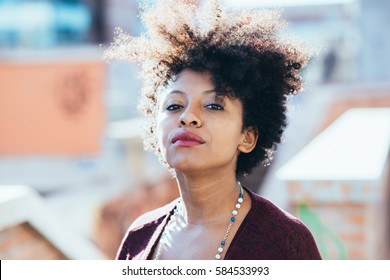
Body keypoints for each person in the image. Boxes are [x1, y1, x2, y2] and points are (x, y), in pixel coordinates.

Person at [105, 0, 322, 260]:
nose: (188, 118)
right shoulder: (139, 237)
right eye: (174, 105)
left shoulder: (284, 241)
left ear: (247, 136)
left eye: (213, 106)